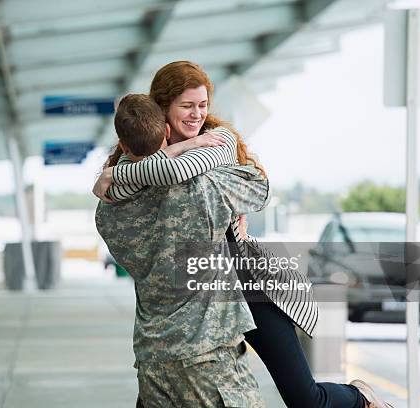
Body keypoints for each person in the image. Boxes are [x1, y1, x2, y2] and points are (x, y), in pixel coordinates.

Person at [94, 61, 393, 408]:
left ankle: (362, 400)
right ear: (162, 110)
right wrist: (122, 173)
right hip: (200, 297)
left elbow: (183, 172)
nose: (196, 115)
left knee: (304, 398)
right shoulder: (136, 162)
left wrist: (118, 175)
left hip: (247, 284)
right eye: (187, 106)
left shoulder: (216, 141)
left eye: (202, 105)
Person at [95, 95, 270, 407]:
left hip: (152, 361)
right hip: (208, 357)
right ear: (166, 130)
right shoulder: (204, 187)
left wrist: (121, 172)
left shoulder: (107, 211)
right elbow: (259, 187)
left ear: (122, 144)